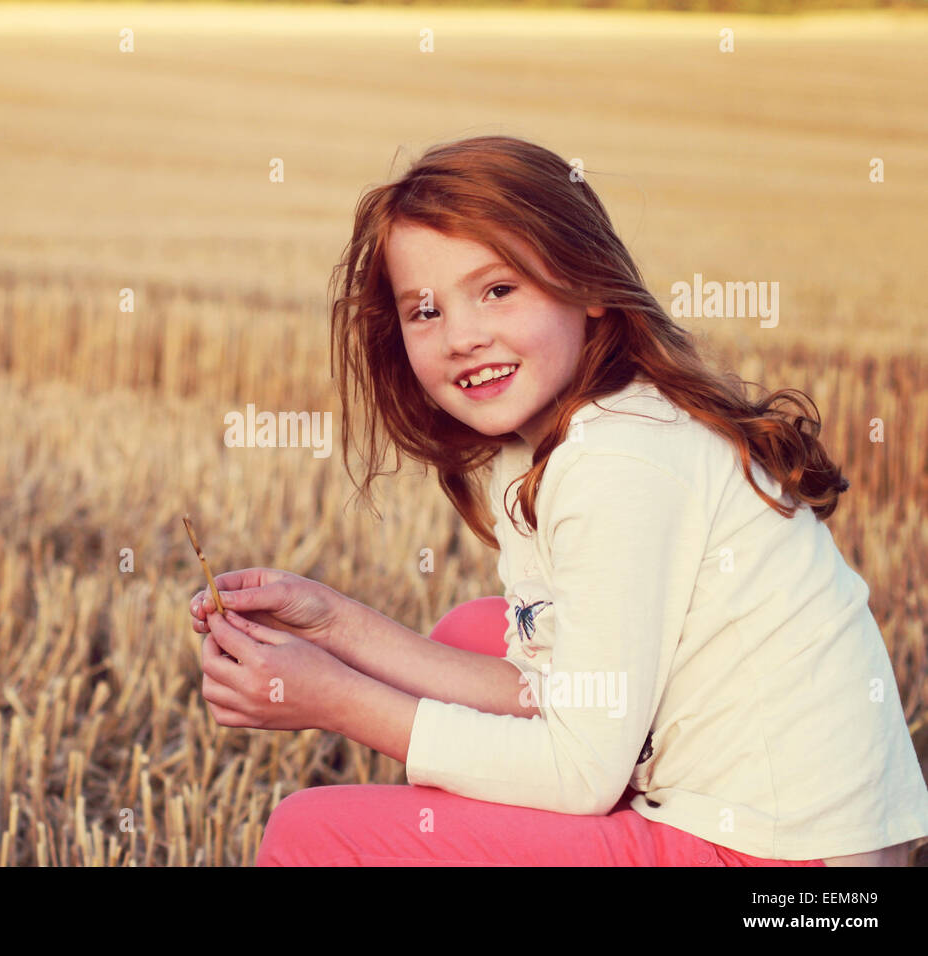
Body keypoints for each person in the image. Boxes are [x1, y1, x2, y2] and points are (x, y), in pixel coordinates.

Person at [188, 135, 928, 866]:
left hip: (793, 877)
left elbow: (579, 771)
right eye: (424, 311)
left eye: (498, 290)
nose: (462, 337)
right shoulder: (554, 441)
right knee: (473, 630)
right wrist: (335, 626)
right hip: (795, 842)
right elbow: (553, 690)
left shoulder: (622, 461)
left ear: (592, 286)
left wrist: (336, 701)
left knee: (312, 832)